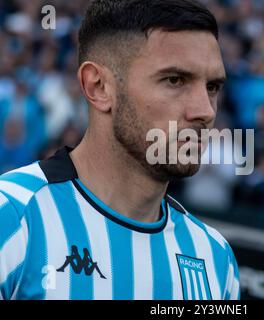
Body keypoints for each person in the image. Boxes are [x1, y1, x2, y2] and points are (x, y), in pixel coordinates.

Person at [0, 0, 240, 300]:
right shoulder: (11, 218)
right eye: (175, 80)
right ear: (98, 87)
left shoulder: (215, 258)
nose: (205, 110)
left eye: (213, 87)